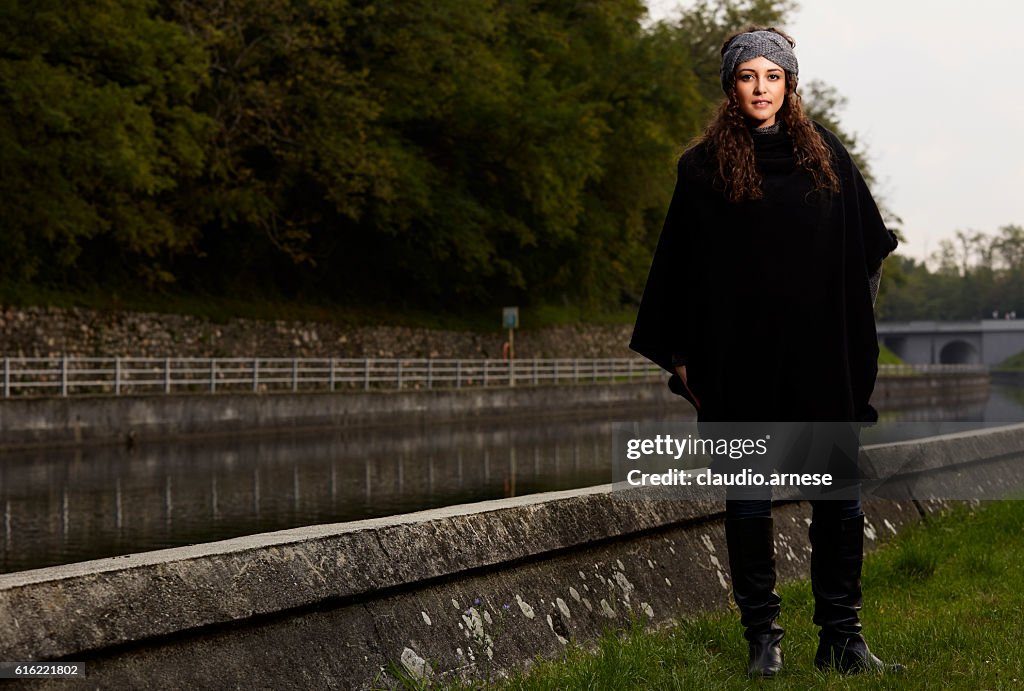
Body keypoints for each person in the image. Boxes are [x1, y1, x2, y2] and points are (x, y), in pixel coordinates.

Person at [629, 26, 901, 678]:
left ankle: (843, 639)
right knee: (748, 499)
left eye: (772, 76)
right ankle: (764, 638)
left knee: (838, 498)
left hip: (817, 360)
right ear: (731, 84)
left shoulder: (826, 158)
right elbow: (679, 270)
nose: (760, 88)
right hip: (739, 360)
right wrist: (684, 358)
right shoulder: (700, 169)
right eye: (748, 76)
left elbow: (865, 250)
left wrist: (851, 330)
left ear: (789, 84)